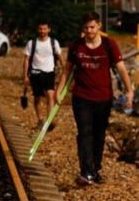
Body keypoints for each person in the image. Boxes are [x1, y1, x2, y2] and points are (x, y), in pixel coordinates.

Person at [56, 12, 134, 185]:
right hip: (81, 97)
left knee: (99, 135)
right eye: (86, 28)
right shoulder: (76, 46)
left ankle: (95, 169)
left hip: (103, 98)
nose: (89, 31)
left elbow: (121, 69)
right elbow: (68, 70)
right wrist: (59, 91)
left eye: (92, 27)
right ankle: (86, 172)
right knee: (84, 133)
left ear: (99, 26)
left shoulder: (109, 44)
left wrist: (129, 91)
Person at [23, 21, 62, 129]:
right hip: (36, 73)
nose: (42, 31)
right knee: (37, 98)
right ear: (37, 29)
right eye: (40, 29)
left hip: (49, 72)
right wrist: (25, 76)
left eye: (45, 29)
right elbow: (26, 60)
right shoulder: (32, 43)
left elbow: (59, 56)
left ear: (49, 30)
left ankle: (50, 119)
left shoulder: (54, 42)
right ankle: (40, 119)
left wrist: (64, 69)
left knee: (50, 95)